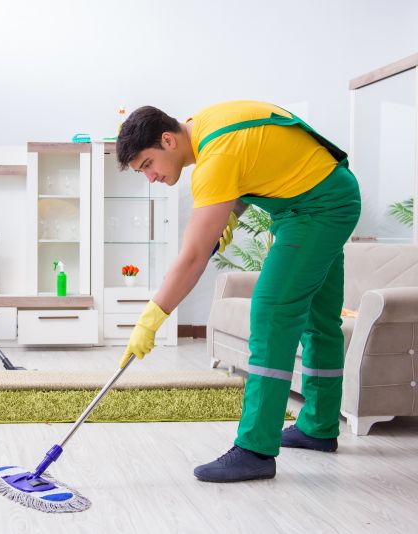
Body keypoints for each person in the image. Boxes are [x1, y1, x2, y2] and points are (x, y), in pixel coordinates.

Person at [116, 100, 361, 482]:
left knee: (271, 311)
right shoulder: (207, 124)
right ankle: (318, 426)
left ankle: (255, 450)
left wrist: (152, 317)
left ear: (167, 140)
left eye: (148, 165)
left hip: (317, 210)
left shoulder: (213, 161)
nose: (151, 178)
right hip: (327, 196)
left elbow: (194, 256)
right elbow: (262, 158)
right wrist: (233, 210)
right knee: (320, 318)